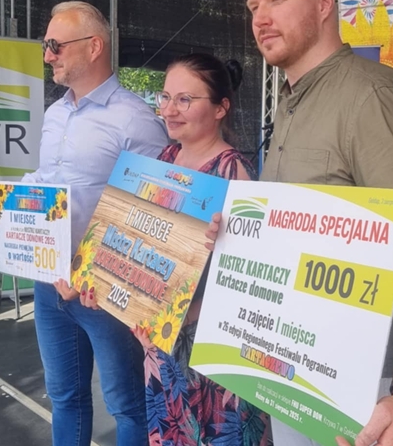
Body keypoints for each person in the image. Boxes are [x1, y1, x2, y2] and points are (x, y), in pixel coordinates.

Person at [225, 0, 393, 446]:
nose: (260, 19)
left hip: (365, 385)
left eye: (276, 0)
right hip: (295, 363)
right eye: (253, 7)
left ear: (323, 4)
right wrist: (237, 235)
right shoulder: (291, 102)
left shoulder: (372, 97)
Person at [0, 1, 169, 446]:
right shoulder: (56, 114)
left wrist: (92, 274)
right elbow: (48, 180)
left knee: (128, 406)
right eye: (47, 45)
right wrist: (6, 198)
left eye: (55, 45)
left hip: (102, 291)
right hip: (50, 281)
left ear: (94, 47)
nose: (48, 55)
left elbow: (152, 212)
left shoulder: (136, 119)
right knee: (64, 397)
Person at [81, 53, 270, 446]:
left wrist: (177, 318)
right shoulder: (162, 161)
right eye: (165, 97)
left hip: (210, 353)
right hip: (160, 348)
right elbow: (135, 245)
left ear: (221, 108)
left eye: (185, 99)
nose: (168, 110)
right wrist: (99, 282)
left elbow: (249, 283)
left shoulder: (233, 174)